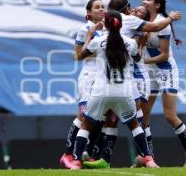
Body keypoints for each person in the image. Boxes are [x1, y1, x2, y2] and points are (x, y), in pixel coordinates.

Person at [83, 0, 182, 169]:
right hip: (124, 79)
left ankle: (147, 157)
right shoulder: (125, 24)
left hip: (136, 78)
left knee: (137, 119)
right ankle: (107, 158)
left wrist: (169, 19)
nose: (137, 9)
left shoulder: (126, 25)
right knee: (114, 118)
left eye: (140, 10)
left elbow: (152, 31)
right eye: (134, 8)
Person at [66, 10, 159, 169]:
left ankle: (75, 161)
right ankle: (149, 158)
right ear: (121, 24)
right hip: (124, 92)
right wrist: (140, 41)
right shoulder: (130, 43)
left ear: (106, 24)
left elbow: (81, 54)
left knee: (86, 125)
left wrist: (90, 34)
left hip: (101, 91)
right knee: (135, 125)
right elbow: (137, 58)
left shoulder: (99, 41)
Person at [141, 0, 186, 167]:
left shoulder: (162, 23)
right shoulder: (146, 22)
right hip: (150, 73)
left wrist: (143, 61)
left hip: (166, 71)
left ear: (157, 5)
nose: (144, 1)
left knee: (169, 116)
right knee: (143, 116)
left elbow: (165, 55)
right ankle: (147, 156)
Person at [60, 0, 106, 168]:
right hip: (89, 75)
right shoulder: (85, 29)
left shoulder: (108, 30)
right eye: (97, 7)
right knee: (83, 115)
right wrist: (91, 39)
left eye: (103, 7)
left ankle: (89, 153)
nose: (101, 9)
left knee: (100, 116)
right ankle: (67, 154)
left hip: (104, 77)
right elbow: (77, 55)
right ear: (88, 12)